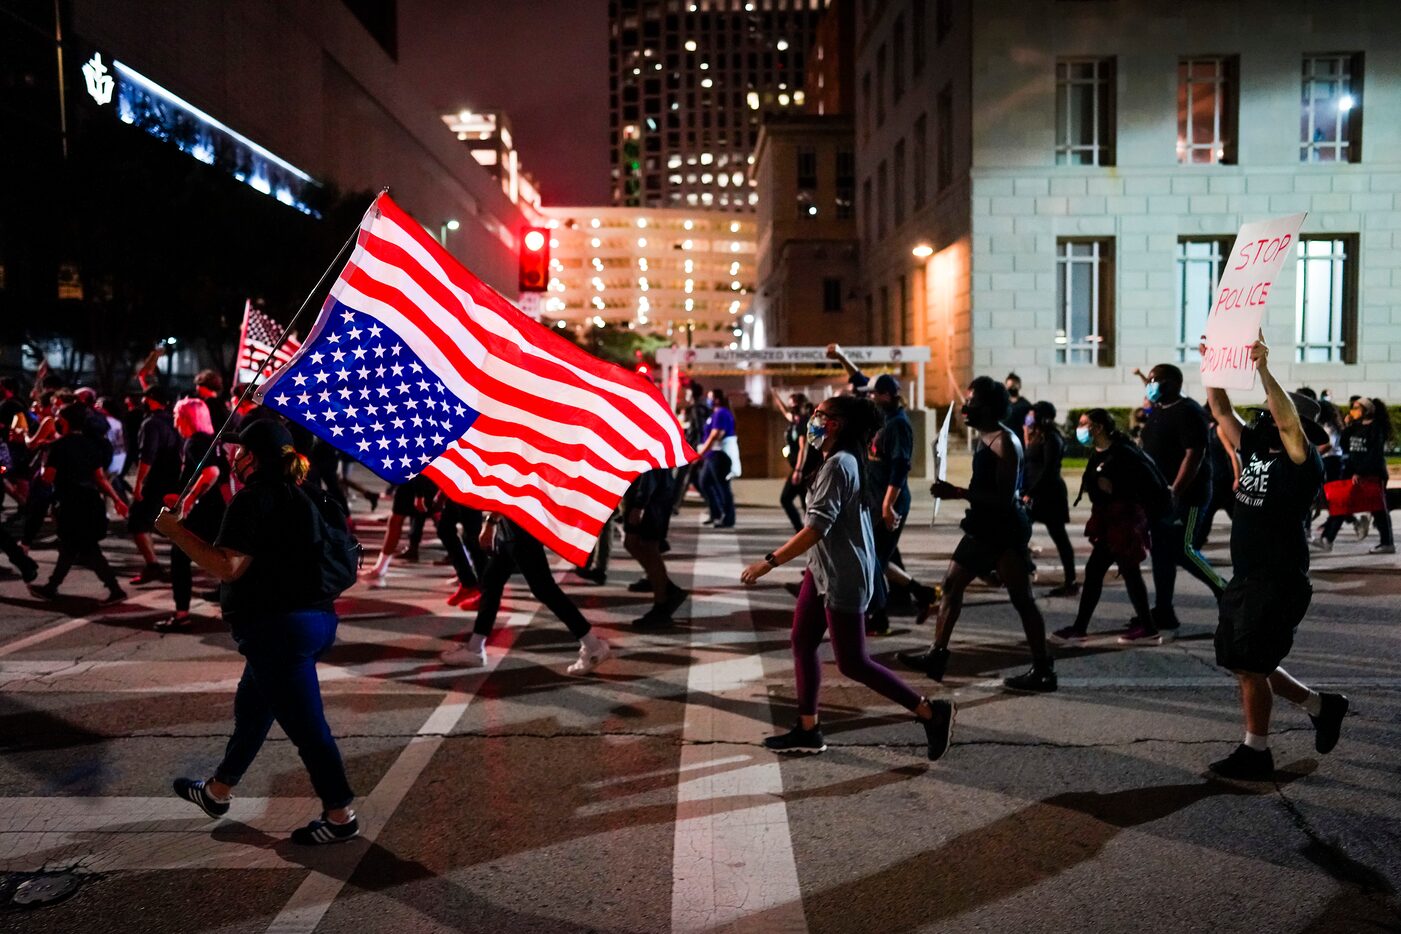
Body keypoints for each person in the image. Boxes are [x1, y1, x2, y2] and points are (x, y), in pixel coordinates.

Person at [157, 419, 360, 844]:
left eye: (239, 451)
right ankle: (218, 791)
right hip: (318, 622)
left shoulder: (253, 500)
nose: (233, 456)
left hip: (279, 632)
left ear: (252, 457)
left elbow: (228, 566)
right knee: (252, 709)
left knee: (309, 731)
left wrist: (176, 531)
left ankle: (341, 816)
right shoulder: (314, 495)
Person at [740, 393, 955, 759]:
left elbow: (815, 529)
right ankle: (808, 729)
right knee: (802, 642)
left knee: (853, 662)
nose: (813, 419)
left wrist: (768, 562)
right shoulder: (837, 459)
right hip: (821, 569)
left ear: (836, 424)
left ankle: (931, 712)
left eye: (820, 415)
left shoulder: (840, 464)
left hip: (844, 576)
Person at [1200, 332, 1348, 779]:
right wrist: (1213, 368)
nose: (1263, 417)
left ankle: (1256, 751)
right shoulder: (1255, 448)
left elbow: (1288, 427)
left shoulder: (1303, 463)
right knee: (1246, 662)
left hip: (1278, 579)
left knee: (1251, 663)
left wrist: (1264, 370)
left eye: (1269, 410)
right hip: (1249, 577)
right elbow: (1221, 411)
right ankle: (1322, 706)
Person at [899, 377, 1056, 692]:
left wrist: (956, 491)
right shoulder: (987, 438)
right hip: (987, 526)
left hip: (1000, 528)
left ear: (988, 407)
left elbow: (1002, 498)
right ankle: (939, 655)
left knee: (1011, 596)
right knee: (963, 588)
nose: (965, 407)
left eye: (971, 402)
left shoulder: (1004, 442)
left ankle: (1042, 671)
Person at [439, 514, 611, 674]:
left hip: (520, 528)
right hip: (512, 528)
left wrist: (491, 522)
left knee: (543, 588)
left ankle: (592, 644)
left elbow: (512, 488)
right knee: (492, 581)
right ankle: (475, 647)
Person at [1049, 410, 1162, 644]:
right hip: (1110, 522)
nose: (1079, 428)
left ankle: (1082, 629)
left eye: (1084, 424)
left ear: (1098, 427)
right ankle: (1147, 628)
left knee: (1102, 572)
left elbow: (1146, 485)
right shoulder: (1101, 453)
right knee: (1123, 573)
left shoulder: (1123, 453)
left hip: (1123, 523)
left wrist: (1116, 489)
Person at [1135, 363, 1227, 643]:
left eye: (1155, 380)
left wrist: (1176, 489)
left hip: (1187, 496)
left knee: (1183, 549)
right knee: (1161, 554)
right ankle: (1164, 611)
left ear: (1172, 383)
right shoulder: (1159, 411)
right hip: (1159, 496)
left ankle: (1225, 590)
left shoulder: (1188, 411)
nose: (1150, 384)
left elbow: (1194, 453)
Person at [28, 405, 128, 602]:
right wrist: (117, 499)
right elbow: (100, 478)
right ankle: (52, 586)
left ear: (64, 422)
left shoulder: (58, 446)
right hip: (90, 501)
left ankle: (115, 590)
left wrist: (43, 465)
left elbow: (47, 478)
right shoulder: (91, 445)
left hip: (69, 503)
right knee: (73, 547)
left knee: (82, 548)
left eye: (58, 417)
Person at [865, 374, 936, 636]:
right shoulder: (882, 418)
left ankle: (879, 619)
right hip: (876, 501)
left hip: (891, 502)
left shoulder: (898, 425)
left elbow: (900, 467)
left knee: (873, 562)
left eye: (874, 394)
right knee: (878, 561)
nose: (870, 397)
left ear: (886, 395)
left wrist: (887, 505)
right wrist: (839, 357)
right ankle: (924, 594)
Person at [155, 399, 227, 631]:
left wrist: (187, 501)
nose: (175, 421)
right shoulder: (211, 441)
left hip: (202, 512)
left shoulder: (194, 443)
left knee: (179, 558)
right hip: (218, 510)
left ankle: (182, 614)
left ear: (186, 417)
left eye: (177, 416)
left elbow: (211, 473)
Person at [1313, 397, 1394, 555]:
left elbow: (1374, 453)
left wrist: (1361, 472)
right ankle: (1327, 539)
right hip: (1355, 475)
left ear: (1367, 410)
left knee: (1378, 509)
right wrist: (1348, 425)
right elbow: (1345, 446)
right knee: (1344, 503)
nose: (1353, 410)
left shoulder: (1376, 428)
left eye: (1357, 408)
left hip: (1372, 475)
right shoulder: (1355, 427)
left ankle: (1387, 543)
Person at [1022, 401, 1077, 597]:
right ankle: (1025, 570)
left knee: (1059, 537)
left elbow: (1049, 471)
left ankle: (1071, 580)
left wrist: (1031, 492)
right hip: (1034, 492)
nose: (1029, 417)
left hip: (1049, 494)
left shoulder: (1052, 438)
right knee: (1019, 531)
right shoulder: (1037, 435)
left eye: (1032, 414)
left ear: (1042, 417)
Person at [129, 386, 183, 585]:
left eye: (145, 398)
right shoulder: (174, 420)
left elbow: (147, 457)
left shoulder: (151, 423)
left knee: (137, 523)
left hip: (155, 481)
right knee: (167, 525)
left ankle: (154, 566)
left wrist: (138, 484)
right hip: (173, 480)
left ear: (151, 400)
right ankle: (172, 567)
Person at [624, 466, 688, 628]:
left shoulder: (651, 441)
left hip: (653, 497)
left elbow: (651, 467)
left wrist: (640, 504)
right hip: (644, 491)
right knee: (631, 543)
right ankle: (668, 589)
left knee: (649, 547)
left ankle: (662, 606)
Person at [363, 474, 436, 587]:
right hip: (410, 479)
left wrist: (419, 494)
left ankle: (466, 572)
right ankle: (380, 567)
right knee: (395, 520)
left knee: (443, 524)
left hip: (424, 476)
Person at [773, 389, 817, 532]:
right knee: (805, 502)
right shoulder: (796, 420)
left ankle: (805, 531)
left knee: (788, 499)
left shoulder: (803, 422)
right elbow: (784, 412)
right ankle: (805, 531)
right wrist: (775, 397)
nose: (791, 409)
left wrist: (798, 470)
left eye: (793, 406)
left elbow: (803, 448)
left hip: (804, 469)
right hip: (800, 468)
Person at [695, 388, 737, 528]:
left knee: (722, 486)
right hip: (711, 455)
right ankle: (716, 513)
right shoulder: (715, 414)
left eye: (710, 397)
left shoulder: (721, 413)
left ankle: (728, 518)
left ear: (717, 399)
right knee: (704, 483)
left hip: (719, 454)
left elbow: (715, 435)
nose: (708, 400)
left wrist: (701, 453)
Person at [670, 381, 710, 516]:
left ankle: (674, 505)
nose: (686, 395)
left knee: (682, 478)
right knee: (696, 479)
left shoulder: (696, 409)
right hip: (695, 448)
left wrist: (696, 449)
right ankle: (714, 505)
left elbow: (698, 430)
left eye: (688, 392)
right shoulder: (700, 408)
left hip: (692, 449)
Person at [1005, 373, 1033, 444]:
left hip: (1019, 443)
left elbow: (1029, 426)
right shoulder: (1002, 404)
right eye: (1009, 386)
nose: (1011, 388)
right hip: (1004, 442)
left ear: (1019, 386)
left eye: (1014, 386)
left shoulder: (1026, 405)